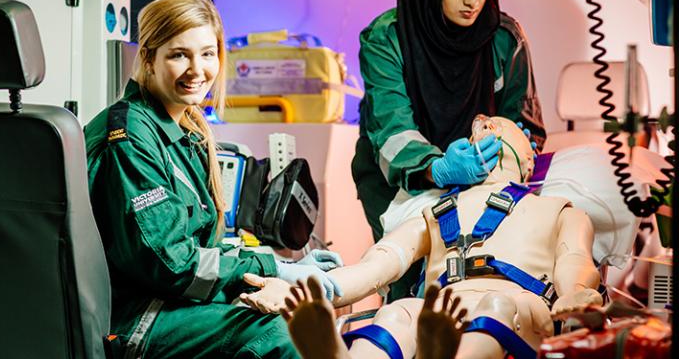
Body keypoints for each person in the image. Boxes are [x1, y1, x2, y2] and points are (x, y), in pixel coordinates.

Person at [84, 0, 341, 358]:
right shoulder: (130, 138)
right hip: (139, 317)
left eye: (207, 54)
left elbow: (200, 246)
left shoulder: (184, 130)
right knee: (280, 334)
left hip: (171, 301)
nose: (197, 70)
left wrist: (281, 264)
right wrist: (271, 271)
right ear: (148, 57)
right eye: (178, 55)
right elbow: (170, 263)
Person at [241, 117, 603, 359]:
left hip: (515, 302)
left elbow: (575, 261)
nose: (481, 124)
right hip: (439, 307)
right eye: (479, 126)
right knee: (397, 312)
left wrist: (575, 294)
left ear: (529, 161)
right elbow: (375, 267)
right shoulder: (435, 212)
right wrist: (309, 290)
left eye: (497, 126)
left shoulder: (558, 208)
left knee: (497, 307)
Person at [351, 0, 546, 300]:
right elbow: (392, 132)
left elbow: (525, 124)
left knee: (484, 284)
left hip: (485, 183)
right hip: (398, 185)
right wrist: (438, 168)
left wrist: (519, 147)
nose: (473, 0)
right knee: (410, 288)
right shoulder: (386, 38)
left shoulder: (504, 38)